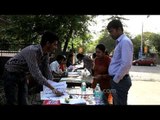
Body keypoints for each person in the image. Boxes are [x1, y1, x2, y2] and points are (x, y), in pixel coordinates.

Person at [3, 31, 63, 105]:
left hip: (22, 74)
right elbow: (36, 73)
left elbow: (47, 70)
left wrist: (53, 84)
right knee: (13, 101)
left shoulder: (46, 54)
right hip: (11, 72)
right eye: (55, 45)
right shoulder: (32, 51)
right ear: (47, 43)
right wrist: (52, 88)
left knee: (24, 100)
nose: (56, 47)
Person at [107, 19, 133, 105]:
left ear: (119, 29)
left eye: (111, 31)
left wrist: (116, 79)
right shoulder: (120, 42)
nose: (110, 34)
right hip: (118, 81)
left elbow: (126, 64)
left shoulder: (125, 42)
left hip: (120, 81)